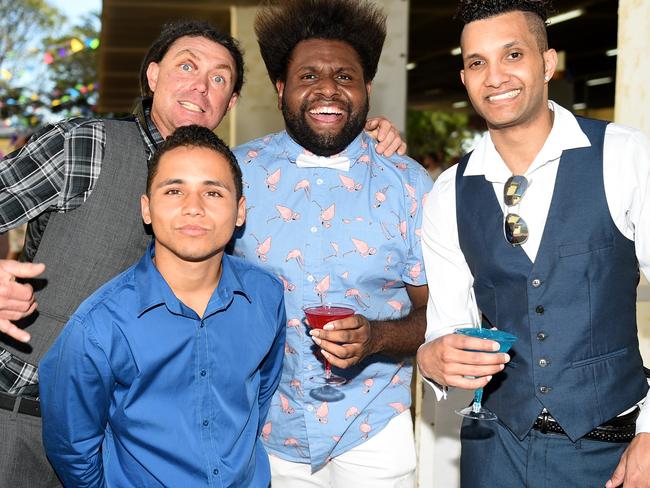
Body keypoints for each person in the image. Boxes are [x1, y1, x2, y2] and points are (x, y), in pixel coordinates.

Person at [0, 17, 404, 487]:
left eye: (219, 79)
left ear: (231, 103)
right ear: (152, 76)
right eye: (186, 66)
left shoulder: (233, 174)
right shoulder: (84, 145)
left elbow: (312, 173)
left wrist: (365, 140)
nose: (200, 86)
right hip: (26, 415)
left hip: (153, 448)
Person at [416, 1, 650, 487]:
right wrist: (432, 359)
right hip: (492, 449)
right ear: (464, 78)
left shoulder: (625, 156)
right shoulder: (448, 193)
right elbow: (448, 329)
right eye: (477, 62)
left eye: (513, 54)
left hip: (609, 454)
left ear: (547, 63)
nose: (495, 76)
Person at [231, 1, 432, 486]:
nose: (327, 88)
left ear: (366, 90)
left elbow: (441, 314)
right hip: (263, 430)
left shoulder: (407, 184)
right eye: (308, 76)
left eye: (345, 76)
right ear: (281, 89)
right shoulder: (236, 175)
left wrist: (378, 338)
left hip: (374, 432)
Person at [39, 125, 286, 487]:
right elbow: (72, 447)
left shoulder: (266, 296)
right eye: (174, 190)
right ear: (147, 209)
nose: (194, 208)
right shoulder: (98, 326)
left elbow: (261, 392)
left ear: (240, 211)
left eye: (213, 192)